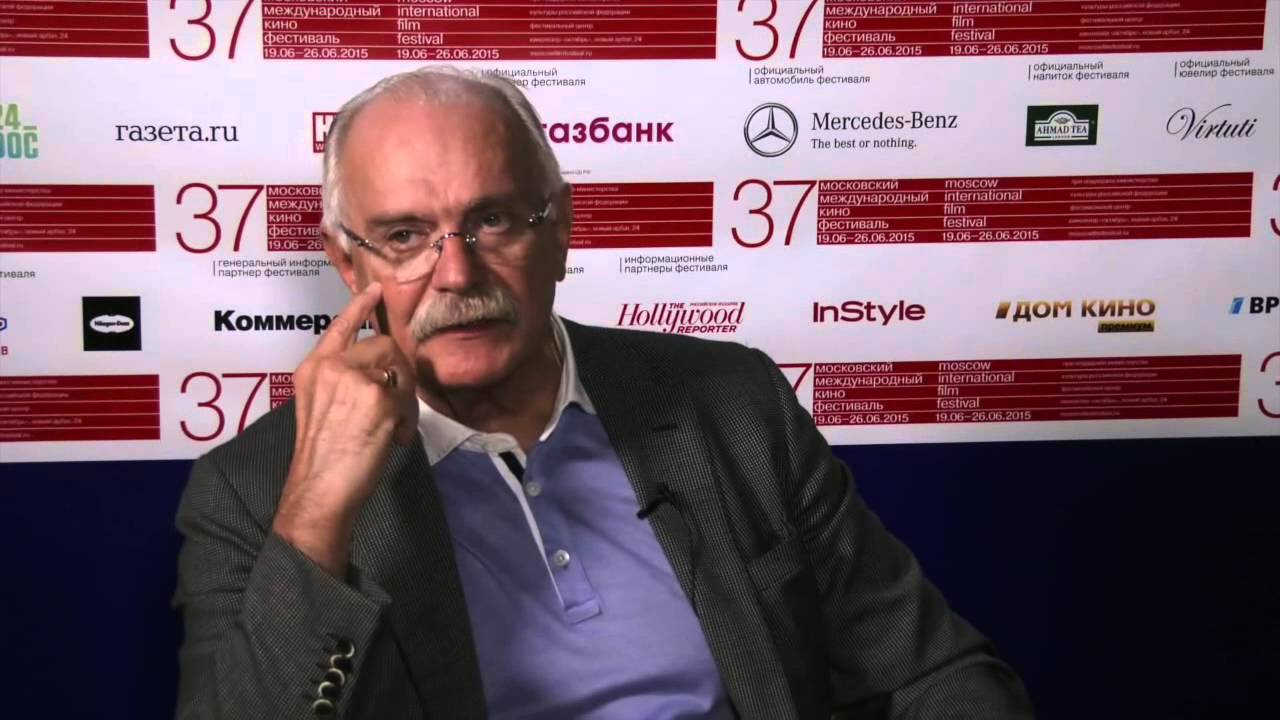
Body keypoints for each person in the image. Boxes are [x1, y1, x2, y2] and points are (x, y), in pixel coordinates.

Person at [172, 67, 1034, 720]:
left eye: (493, 220)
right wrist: (317, 514)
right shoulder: (255, 492)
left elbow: (930, 673)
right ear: (348, 264)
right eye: (405, 236)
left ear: (562, 229)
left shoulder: (734, 405)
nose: (457, 273)